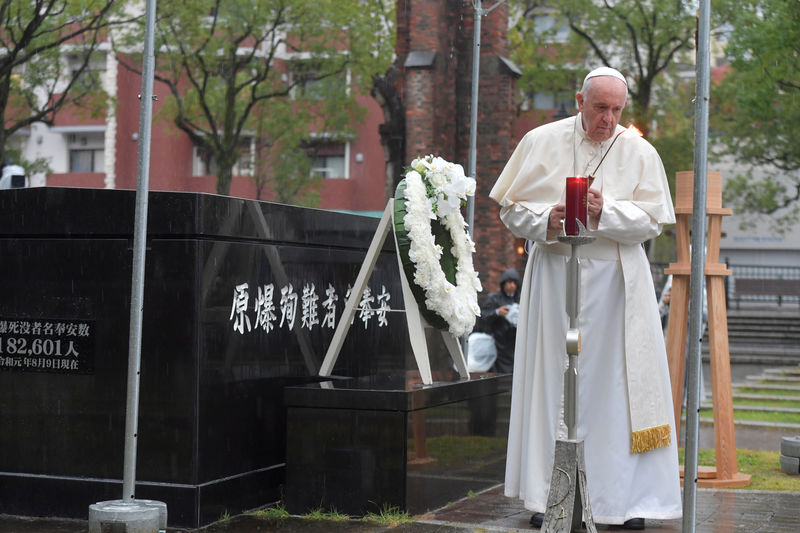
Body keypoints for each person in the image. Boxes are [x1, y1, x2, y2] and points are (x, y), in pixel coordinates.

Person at [489, 66, 681, 530]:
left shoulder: (639, 150)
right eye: (600, 108)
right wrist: (548, 219)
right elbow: (511, 209)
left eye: (617, 110)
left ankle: (623, 502)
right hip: (556, 275)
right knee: (553, 382)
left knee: (615, 390)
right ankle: (548, 497)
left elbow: (653, 221)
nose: (609, 119)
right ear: (579, 101)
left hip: (617, 283)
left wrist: (604, 210)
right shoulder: (541, 140)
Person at [479, 268, 520, 373]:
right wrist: (497, 312)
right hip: (499, 344)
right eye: (509, 282)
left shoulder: (520, 298)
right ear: (504, 283)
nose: (512, 285)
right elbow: (483, 315)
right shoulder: (494, 298)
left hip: (516, 344)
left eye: (514, 283)